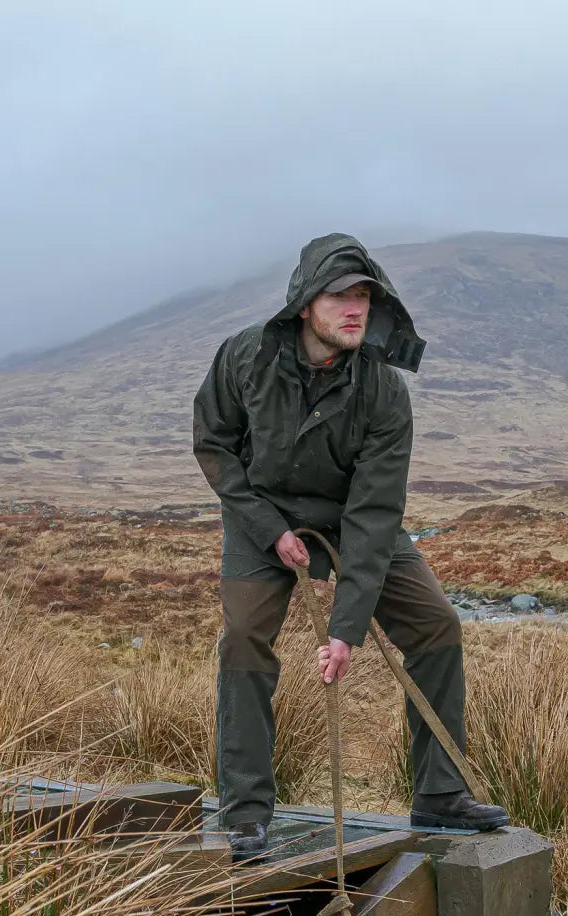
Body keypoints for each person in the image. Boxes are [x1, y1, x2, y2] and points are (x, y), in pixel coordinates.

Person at [193, 233, 509, 859]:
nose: (355, 307)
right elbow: (215, 445)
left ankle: (440, 794)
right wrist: (269, 529)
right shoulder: (244, 358)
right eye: (340, 294)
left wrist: (346, 630)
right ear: (307, 303)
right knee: (244, 639)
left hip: (352, 520)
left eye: (364, 295)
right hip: (264, 516)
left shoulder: (384, 390)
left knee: (437, 627)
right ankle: (246, 810)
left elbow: (374, 510)